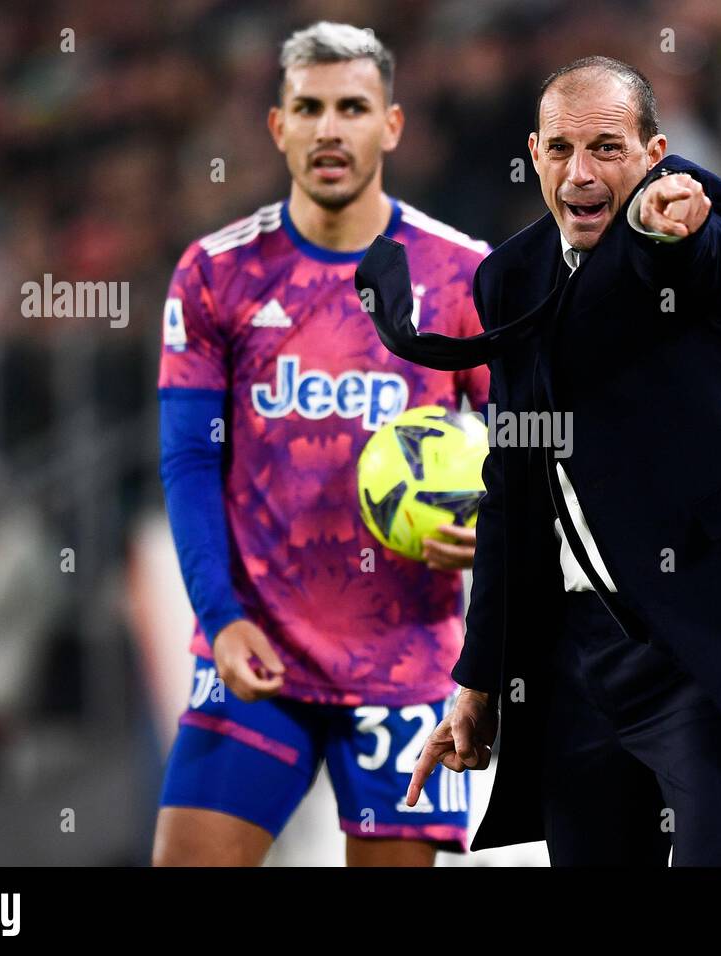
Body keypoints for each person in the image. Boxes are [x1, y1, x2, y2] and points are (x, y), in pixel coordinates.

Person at [357, 56, 721, 865]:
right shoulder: (509, 278)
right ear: (535, 154)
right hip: (575, 661)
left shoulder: (699, 231)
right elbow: (511, 490)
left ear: (654, 154)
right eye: (561, 149)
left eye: (608, 148)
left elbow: (680, 255)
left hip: (702, 646)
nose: (581, 172)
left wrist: (663, 225)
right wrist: (478, 680)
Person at [152, 22, 490, 867]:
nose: (330, 129)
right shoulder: (215, 273)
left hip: (409, 665)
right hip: (257, 648)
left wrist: (497, 529)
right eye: (309, 107)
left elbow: (528, 439)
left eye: (352, 107)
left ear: (392, 125)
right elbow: (190, 460)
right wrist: (220, 618)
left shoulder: (461, 273)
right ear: (278, 126)